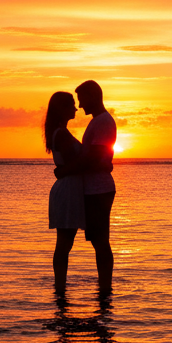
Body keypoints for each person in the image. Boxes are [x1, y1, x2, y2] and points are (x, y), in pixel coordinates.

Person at [53, 80, 116, 291]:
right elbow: (96, 157)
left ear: (92, 96)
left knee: (100, 242)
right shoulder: (97, 122)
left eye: (81, 99)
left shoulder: (103, 122)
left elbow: (92, 158)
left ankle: (105, 289)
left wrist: (63, 171)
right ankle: (103, 289)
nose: (79, 106)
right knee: (97, 241)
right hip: (91, 190)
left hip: (98, 190)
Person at [44, 91, 86, 287]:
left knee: (65, 243)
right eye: (71, 105)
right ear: (61, 109)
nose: (75, 108)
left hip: (70, 188)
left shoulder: (61, 132)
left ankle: (60, 285)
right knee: (64, 244)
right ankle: (59, 286)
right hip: (68, 189)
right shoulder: (60, 133)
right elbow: (75, 162)